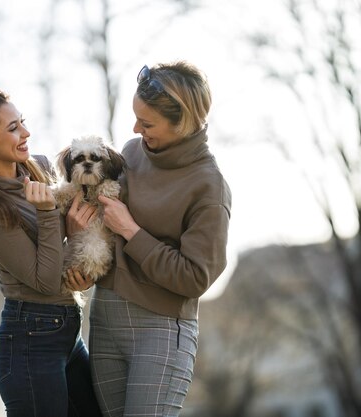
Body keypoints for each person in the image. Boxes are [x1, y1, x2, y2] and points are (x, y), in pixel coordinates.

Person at [88, 61, 232, 416]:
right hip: (105, 318)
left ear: (180, 121)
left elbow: (195, 277)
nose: (136, 129)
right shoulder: (132, 153)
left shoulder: (209, 186)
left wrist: (131, 231)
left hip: (161, 330)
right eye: (136, 118)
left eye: (147, 123)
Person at [0, 88, 101, 417]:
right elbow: (45, 281)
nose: (26, 133)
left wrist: (83, 272)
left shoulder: (41, 169)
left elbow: (69, 249)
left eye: (22, 122)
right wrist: (49, 213)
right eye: (12, 128)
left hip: (68, 333)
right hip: (30, 344)